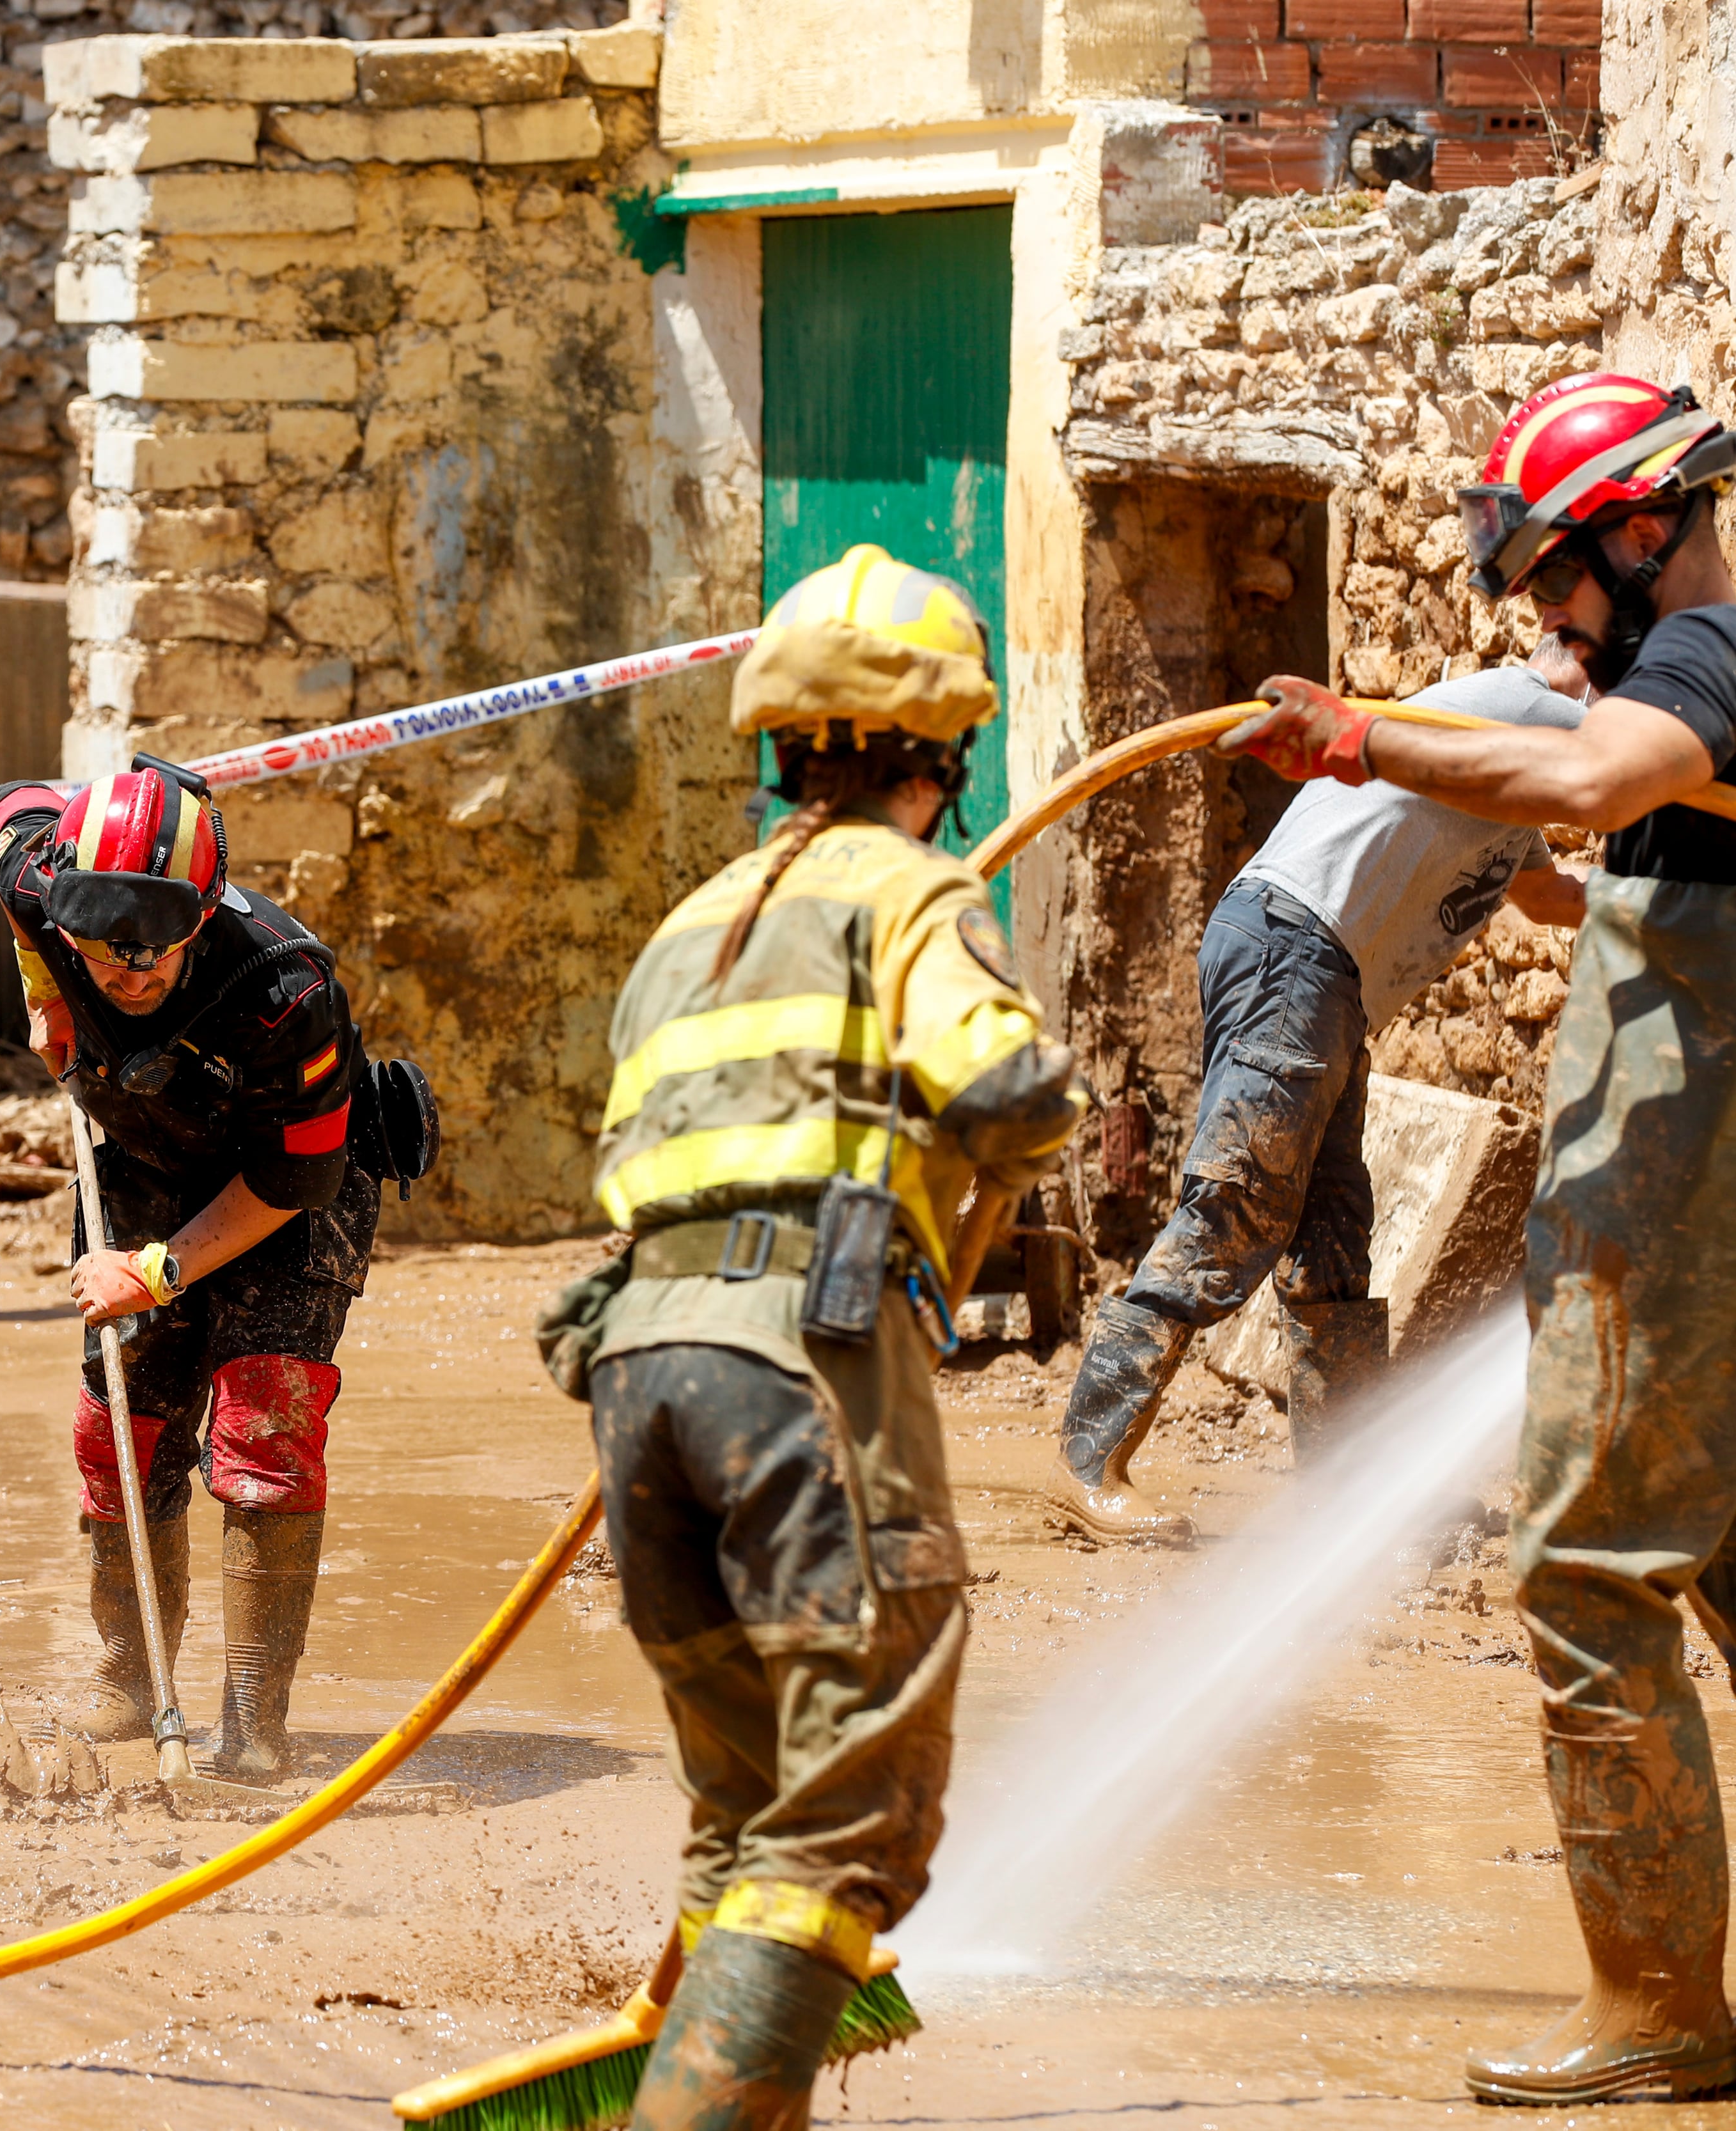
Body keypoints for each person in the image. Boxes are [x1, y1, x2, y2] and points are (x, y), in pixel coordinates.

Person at [1223, 372, 1736, 2105]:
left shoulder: (1709, 666)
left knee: (1588, 1575)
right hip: (1681, 1238)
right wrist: (1560, 872)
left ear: (1646, 529)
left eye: (1555, 583)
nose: (1545, 627)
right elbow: (1632, 857)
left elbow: (1598, 776)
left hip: (1677, 1246)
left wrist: (1363, 734)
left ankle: (1656, 1999)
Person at [539, 546, 1081, 2128]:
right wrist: (1034, 1125)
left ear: (784, 742)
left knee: (744, 1812)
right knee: (852, 1818)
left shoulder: (685, 929)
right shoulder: (910, 891)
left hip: (641, 1378)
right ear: (945, 750)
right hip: (800, 1367)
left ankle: (697, 2064)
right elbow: (1004, 1091)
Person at [1044, 632, 1593, 1544]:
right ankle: (1087, 1460)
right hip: (1293, 947)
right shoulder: (1531, 703)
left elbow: (1548, 898)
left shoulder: (1505, 778)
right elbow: (1659, 738)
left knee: (1331, 1233)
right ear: (1575, 651)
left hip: (1319, 970)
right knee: (1242, 1202)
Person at [0, 753, 418, 1779]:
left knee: (263, 1420)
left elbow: (291, 1181)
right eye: (101, 949)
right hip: (142, 1152)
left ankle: (254, 1721)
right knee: (119, 1427)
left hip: (287, 1182)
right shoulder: (38, 878)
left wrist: (161, 1272)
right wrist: (47, 983)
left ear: (202, 916)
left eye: (155, 954)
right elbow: (6, 804)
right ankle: (130, 1685)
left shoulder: (285, 991)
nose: (127, 973)